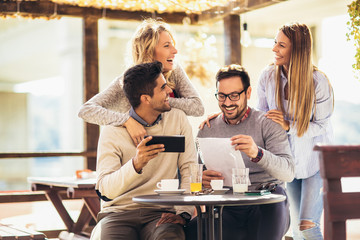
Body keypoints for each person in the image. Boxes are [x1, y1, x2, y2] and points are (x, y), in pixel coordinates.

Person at [186, 64, 295, 240]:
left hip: (267, 202)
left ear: (248, 93)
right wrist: (203, 179)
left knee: (274, 204)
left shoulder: (268, 124)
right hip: (227, 207)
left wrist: (258, 153)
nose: (227, 103)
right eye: (222, 96)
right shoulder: (207, 129)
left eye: (234, 96)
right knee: (190, 232)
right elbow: (198, 176)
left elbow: (288, 173)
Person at [90, 61, 197, 240]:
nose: (170, 91)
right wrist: (136, 164)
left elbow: (189, 168)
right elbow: (105, 189)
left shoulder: (177, 119)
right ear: (146, 99)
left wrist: (183, 214)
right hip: (118, 214)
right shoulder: (112, 131)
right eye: (163, 88)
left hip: (161, 213)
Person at [257, 23, 334, 240]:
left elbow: (322, 125)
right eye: (275, 42)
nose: (274, 49)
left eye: (281, 45)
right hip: (288, 164)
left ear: (297, 50)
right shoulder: (267, 76)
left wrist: (289, 125)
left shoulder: (318, 81)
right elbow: (261, 117)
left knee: (308, 227)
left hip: (315, 162)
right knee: (298, 232)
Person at [78, 18, 204, 146]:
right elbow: (86, 110)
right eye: (167, 46)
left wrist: (160, 100)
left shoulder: (174, 71)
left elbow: (198, 107)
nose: (175, 51)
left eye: (172, 44)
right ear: (148, 51)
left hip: (172, 148)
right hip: (137, 149)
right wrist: (126, 120)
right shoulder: (127, 82)